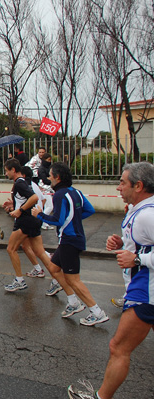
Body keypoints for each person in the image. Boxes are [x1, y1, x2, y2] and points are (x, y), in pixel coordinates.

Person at [68, 162, 154, 399]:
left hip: (146, 292)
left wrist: (136, 258)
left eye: (122, 183)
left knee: (118, 347)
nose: (118, 188)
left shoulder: (147, 214)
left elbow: (142, 254)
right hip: (145, 288)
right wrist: (124, 245)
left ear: (138, 186)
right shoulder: (138, 209)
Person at [31, 162, 107, 325]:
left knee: (73, 279)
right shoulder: (76, 192)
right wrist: (73, 219)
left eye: (50, 174)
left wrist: (39, 214)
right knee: (53, 268)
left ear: (57, 177)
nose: (48, 177)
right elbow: (89, 210)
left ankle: (97, 312)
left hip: (69, 240)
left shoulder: (59, 195)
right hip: (73, 239)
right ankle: (73, 302)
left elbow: (58, 220)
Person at [1, 159, 52, 292]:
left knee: (11, 249)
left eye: (7, 171)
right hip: (33, 220)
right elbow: (26, 199)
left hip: (25, 220)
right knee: (40, 252)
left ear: (13, 170)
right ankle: (57, 278)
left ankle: (19, 280)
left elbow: (34, 198)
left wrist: (20, 210)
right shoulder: (22, 182)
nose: (6, 174)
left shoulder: (19, 183)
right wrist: (13, 206)